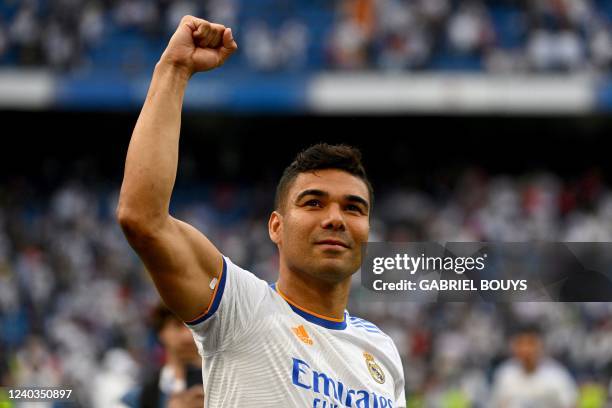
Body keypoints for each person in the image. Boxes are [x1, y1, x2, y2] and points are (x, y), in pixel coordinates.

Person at [117, 15, 406, 407]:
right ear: (276, 226)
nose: (335, 218)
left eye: (354, 208)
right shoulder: (242, 310)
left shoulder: (382, 350)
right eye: (313, 202)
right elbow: (143, 219)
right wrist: (174, 69)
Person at [121, 303, 204, 408]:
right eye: (178, 325)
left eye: (195, 327)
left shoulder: (224, 386)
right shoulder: (137, 398)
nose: (187, 336)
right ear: (160, 332)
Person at [491, 323, 577, 408]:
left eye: (531, 343)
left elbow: (571, 404)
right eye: (521, 343)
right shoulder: (505, 375)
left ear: (541, 346)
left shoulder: (557, 376)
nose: (526, 349)